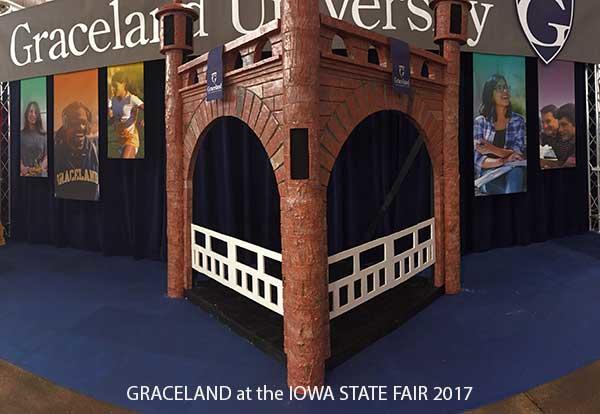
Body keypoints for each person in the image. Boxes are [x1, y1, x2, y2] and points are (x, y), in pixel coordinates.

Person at [474, 74, 527, 195]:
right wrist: (504, 160)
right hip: (489, 173)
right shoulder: (480, 122)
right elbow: (478, 160)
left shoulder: (518, 121)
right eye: (499, 87)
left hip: (513, 168)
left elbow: (517, 153)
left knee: (517, 171)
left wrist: (491, 149)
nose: (505, 91)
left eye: (506, 87)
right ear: (490, 94)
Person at [54, 101, 99, 201]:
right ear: (65, 125)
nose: (80, 128)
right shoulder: (55, 152)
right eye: (75, 123)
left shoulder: (96, 150)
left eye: (83, 123)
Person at [108, 71, 144, 159]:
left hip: (131, 139)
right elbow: (113, 118)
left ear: (124, 84)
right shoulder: (113, 100)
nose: (113, 89)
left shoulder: (132, 99)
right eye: (112, 86)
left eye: (115, 86)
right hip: (120, 140)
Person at [20, 101, 47, 177]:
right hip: (24, 175)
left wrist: (40, 168)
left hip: (40, 176)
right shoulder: (20, 135)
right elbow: (17, 156)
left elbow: (47, 156)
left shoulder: (44, 135)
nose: (33, 115)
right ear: (26, 114)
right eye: (31, 111)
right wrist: (23, 168)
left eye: (36, 112)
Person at [550, 103, 577, 168]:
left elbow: (566, 166)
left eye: (564, 124)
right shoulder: (571, 145)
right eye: (559, 125)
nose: (560, 130)